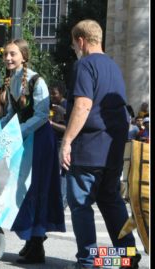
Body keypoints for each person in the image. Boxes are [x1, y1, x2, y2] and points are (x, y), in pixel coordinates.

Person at [60, 20, 141, 269]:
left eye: (74, 43)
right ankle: (127, 258)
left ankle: (88, 260)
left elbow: (83, 105)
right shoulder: (113, 67)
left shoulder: (84, 64)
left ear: (81, 40)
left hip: (88, 149)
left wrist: (67, 141)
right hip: (112, 150)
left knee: (81, 204)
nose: (74, 48)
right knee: (111, 200)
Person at [0, 39, 65, 264]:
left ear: (23, 56)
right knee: (22, 188)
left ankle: (37, 244)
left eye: (13, 54)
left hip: (39, 140)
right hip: (24, 139)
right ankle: (30, 241)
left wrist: (19, 131)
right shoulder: (11, 81)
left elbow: (41, 114)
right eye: (6, 54)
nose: (8, 58)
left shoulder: (37, 80)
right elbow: (11, 113)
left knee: (36, 188)